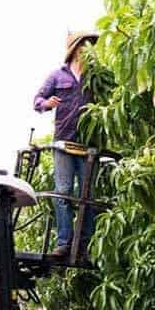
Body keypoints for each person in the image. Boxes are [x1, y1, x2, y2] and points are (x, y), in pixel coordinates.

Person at [33, 30, 98, 259]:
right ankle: (64, 241)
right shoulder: (57, 76)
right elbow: (37, 101)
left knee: (87, 195)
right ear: (75, 49)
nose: (89, 50)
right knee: (63, 192)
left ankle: (85, 244)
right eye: (85, 46)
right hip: (63, 142)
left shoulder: (95, 76)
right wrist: (47, 104)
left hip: (87, 144)